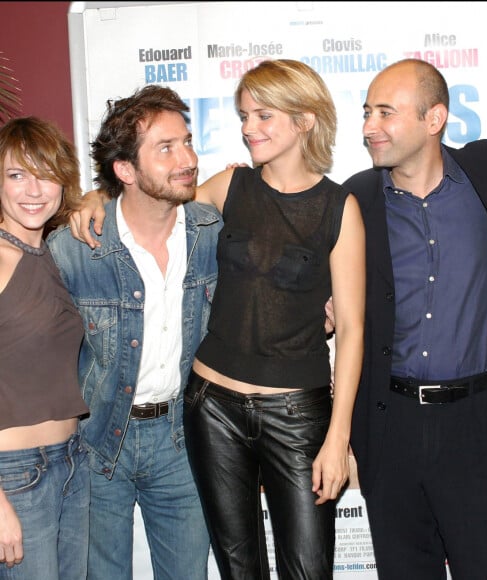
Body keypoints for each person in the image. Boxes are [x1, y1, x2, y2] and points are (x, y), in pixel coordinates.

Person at [72, 59, 365, 579]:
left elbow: (354, 327)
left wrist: (339, 437)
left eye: (264, 115)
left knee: (307, 568)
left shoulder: (339, 207)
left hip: (298, 413)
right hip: (211, 409)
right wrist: (98, 195)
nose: (249, 127)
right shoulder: (230, 187)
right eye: (244, 115)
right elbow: (152, 203)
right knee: (235, 566)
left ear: (305, 120)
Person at [342, 58, 487, 579]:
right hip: (391, 421)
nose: (368, 127)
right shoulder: (355, 198)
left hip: (480, 424)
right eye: (366, 112)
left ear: (435, 118)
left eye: (385, 112)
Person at [46, 85, 222, 580]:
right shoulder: (77, 248)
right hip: (99, 440)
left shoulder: (212, 231)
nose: (186, 158)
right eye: (165, 148)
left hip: (182, 442)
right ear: (125, 170)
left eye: (186, 142)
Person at [0, 117, 90, 579]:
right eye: (17, 175)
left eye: (47, 174)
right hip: (12, 477)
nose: (34, 189)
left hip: (72, 463)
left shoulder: (50, 252)